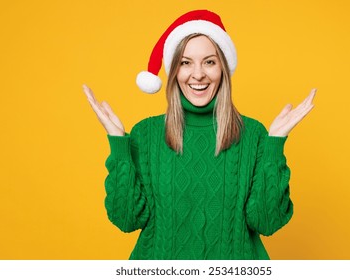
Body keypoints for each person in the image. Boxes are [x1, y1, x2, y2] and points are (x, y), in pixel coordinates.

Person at [83, 10, 316, 260]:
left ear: (223, 68)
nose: (198, 74)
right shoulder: (146, 135)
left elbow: (268, 222)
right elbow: (126, 218)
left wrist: (274, 146)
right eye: (185, 62)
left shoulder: (253, 135)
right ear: (174, 71)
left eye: (209, 61)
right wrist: (119, 145)